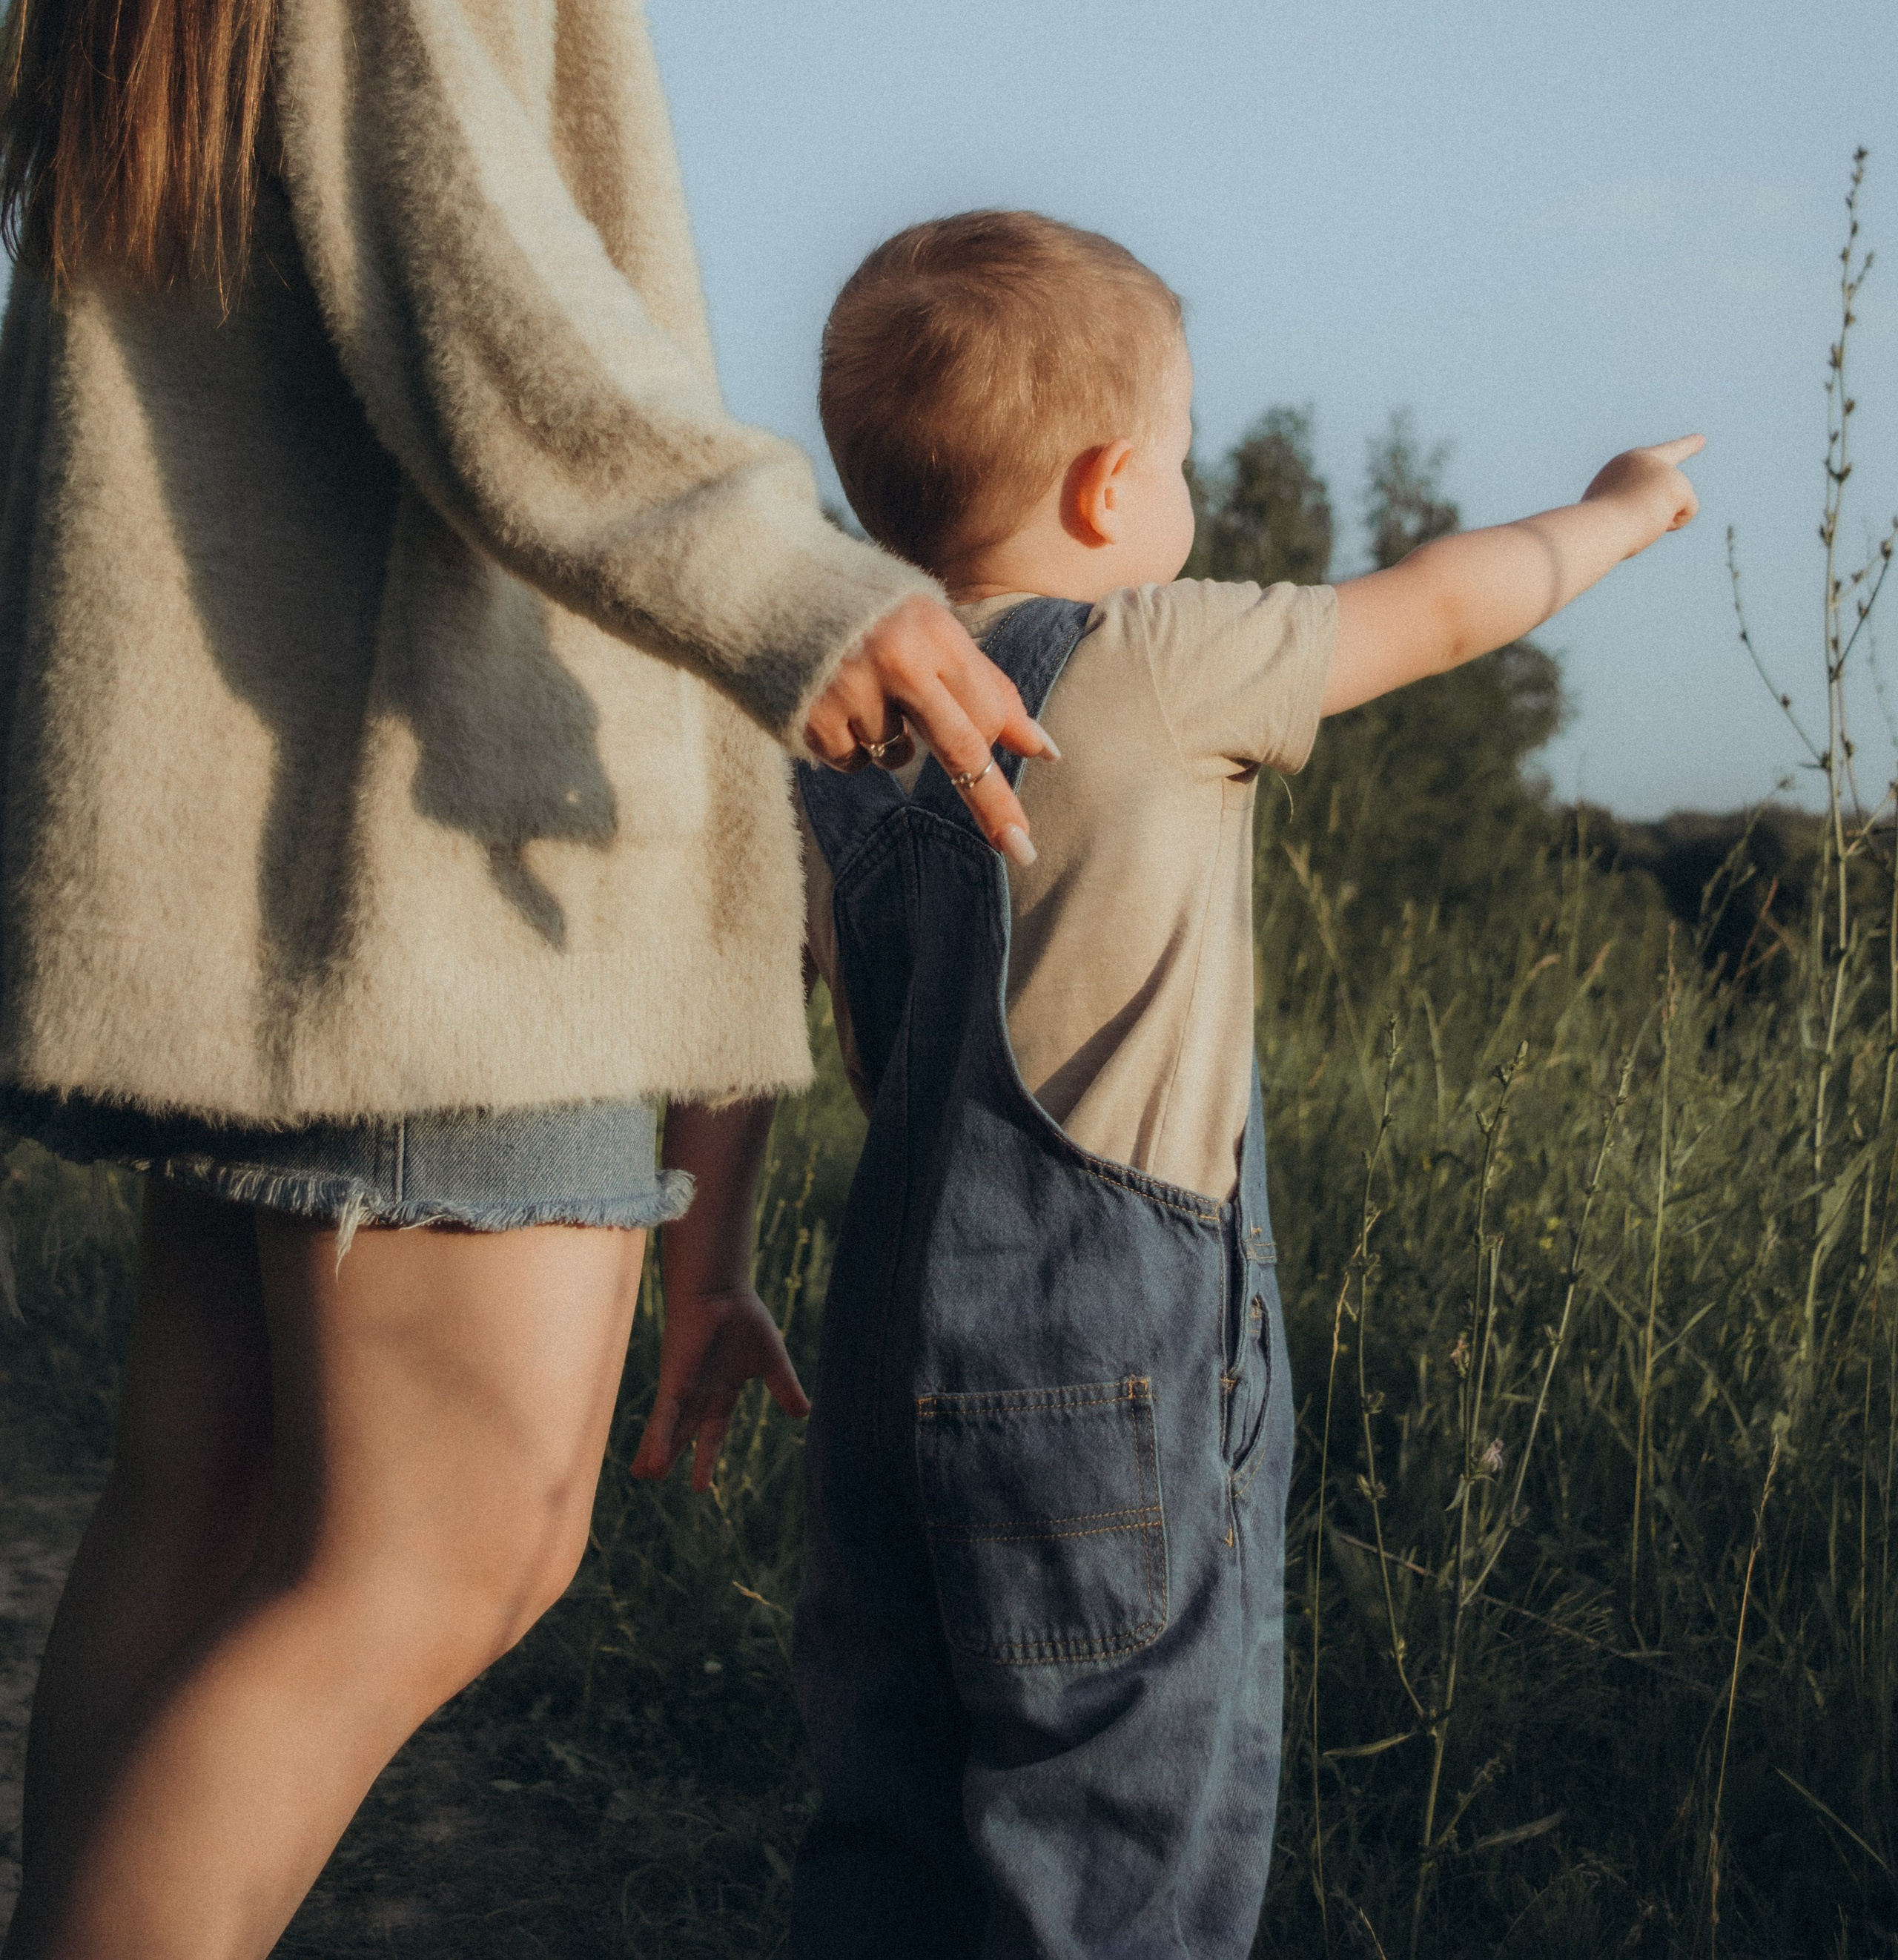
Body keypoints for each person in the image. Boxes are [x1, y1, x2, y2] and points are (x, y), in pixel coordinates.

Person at [0, 0, 1055, 1958]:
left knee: (213, 1510)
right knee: (460, 1536)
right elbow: (473, 251)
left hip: (296, 804)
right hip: (439, 802)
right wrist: (804, 579)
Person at [657, 206, 1698, 1958]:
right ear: (1104, 487)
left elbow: (728, 1037)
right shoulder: (1148, 661)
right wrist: (1611, 511)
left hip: (879, 1400)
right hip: (1107, 1404)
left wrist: (705, 1282)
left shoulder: (822, 727)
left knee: (886, 1832)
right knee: (1111, 1862)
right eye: (1190, 453)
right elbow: (1440, 610)